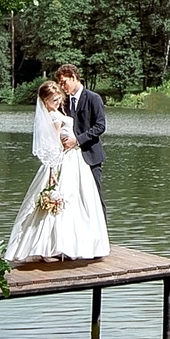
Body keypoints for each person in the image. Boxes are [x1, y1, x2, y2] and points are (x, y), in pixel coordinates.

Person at [8, 78, 108, 265]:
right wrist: (53, 172)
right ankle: (50, 247)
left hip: (75, 158)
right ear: (45, 101)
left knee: (79, 203)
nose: (58, 102)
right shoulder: (53, 117)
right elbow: (54, 146)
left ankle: (73, 245)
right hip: (64, 160)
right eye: (54, 100)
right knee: (65, 203)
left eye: (58, 99)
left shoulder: (58, 111)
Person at [55, 62, 108, 225]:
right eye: (60, 83)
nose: (62, 86)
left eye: (64, 82)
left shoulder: (93, 98)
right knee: (73, 197)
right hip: (70, 159)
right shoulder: (64, 102)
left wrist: (77, 140)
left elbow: (100, 126)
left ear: (74, 77)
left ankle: (103, 235)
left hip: (91, 155)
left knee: (95, 197)